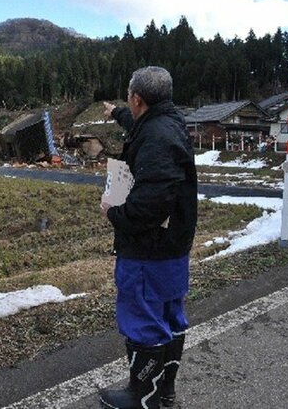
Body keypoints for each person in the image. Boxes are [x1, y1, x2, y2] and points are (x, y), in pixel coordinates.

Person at [98, 66, 198, 409]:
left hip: (147, 250)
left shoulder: (156, 138)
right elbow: (138, 122)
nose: (128, 103)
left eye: (129, 98)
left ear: (137, 98)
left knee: (142, 318)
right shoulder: (168, 122)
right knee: (170, 317)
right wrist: (116, 114)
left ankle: (143, 397)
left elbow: (150, 203)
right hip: (172, 246)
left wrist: (113, 213)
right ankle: (163, 393)